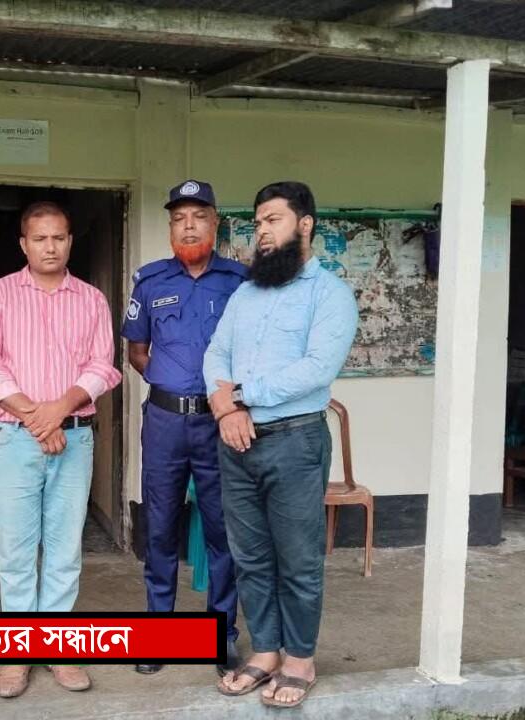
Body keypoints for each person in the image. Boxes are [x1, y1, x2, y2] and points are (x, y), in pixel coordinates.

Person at [204, 181, 358, 708]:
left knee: (297, 559)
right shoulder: (245, 294)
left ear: (305, 224)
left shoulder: (329, 294)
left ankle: (300, 660)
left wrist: (241, 395)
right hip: (236, 442)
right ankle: (266, 651)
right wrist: (225, 409)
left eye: (273, 220)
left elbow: (317, 369)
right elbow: (216, 354)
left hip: (295, 441)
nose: (262, 232)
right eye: (258, 223)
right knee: (250, 556)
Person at [0, 201, 122, 699]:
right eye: (40, 238)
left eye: (59, 237)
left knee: (63, 548)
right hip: (15, 439)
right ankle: (17, 652)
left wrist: (58, 410)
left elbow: (102, 365)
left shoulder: (91, 299)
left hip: (74, 438)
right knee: (16, 551)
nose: (50, 247)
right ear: (24, 244)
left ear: (70, 241)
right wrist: (38, 417)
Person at [121, 179, 245, 677]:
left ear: (215, 223)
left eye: (198, 217)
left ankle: (221, 634)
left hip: (220, 423)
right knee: (160, 527)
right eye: (178, 219)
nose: (188, 226)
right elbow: (136, 351)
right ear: (171, 227)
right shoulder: (150, 282)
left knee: (222, 529)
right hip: (166, 423)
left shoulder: (239, 282)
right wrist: (170, 385)